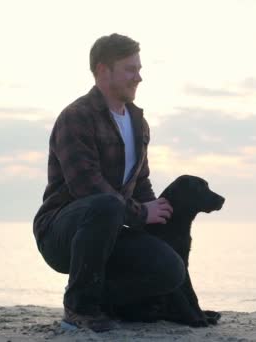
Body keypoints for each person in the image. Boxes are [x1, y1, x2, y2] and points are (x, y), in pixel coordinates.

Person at [33, 33, 185, 332]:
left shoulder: (138, 122)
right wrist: (141, 213)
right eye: (130, 69)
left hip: (111, 230)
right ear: (103, 71)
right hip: (61, 233)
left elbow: (141, 185)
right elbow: (87, 189)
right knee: (104, 204)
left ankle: (101, 301)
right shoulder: (76, 117)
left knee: (171, 270)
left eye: (139, 69)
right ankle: (78, 307)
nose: (138, 77)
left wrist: (158, 220)